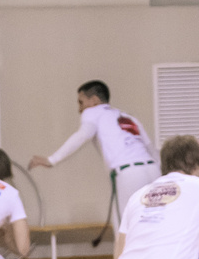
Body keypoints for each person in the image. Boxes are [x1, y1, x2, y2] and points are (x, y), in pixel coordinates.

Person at [30, 80, 159, 229]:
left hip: (128, 174)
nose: (79, 109)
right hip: (153, 171)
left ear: (94, 100)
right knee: (153, 224)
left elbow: (82, 136)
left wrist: (52, 160)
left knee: (124, 228)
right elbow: (151, 149)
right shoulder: (128, 117)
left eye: (81, 102)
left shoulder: (92, 112)